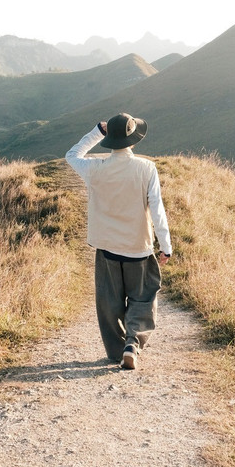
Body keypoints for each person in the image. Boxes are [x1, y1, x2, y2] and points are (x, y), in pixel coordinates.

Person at [65, 112, 172, 370]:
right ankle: (132, 344)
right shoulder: (146, 168)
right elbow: (157, 210)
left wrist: (95, 133)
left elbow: (72, 155)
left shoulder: (95, 169)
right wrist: (166, 246)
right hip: (139, 248)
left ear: (110, 140)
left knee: (109, 303)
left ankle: (116, 351)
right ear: (133, 140)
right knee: (143, 298)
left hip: (107, 249)